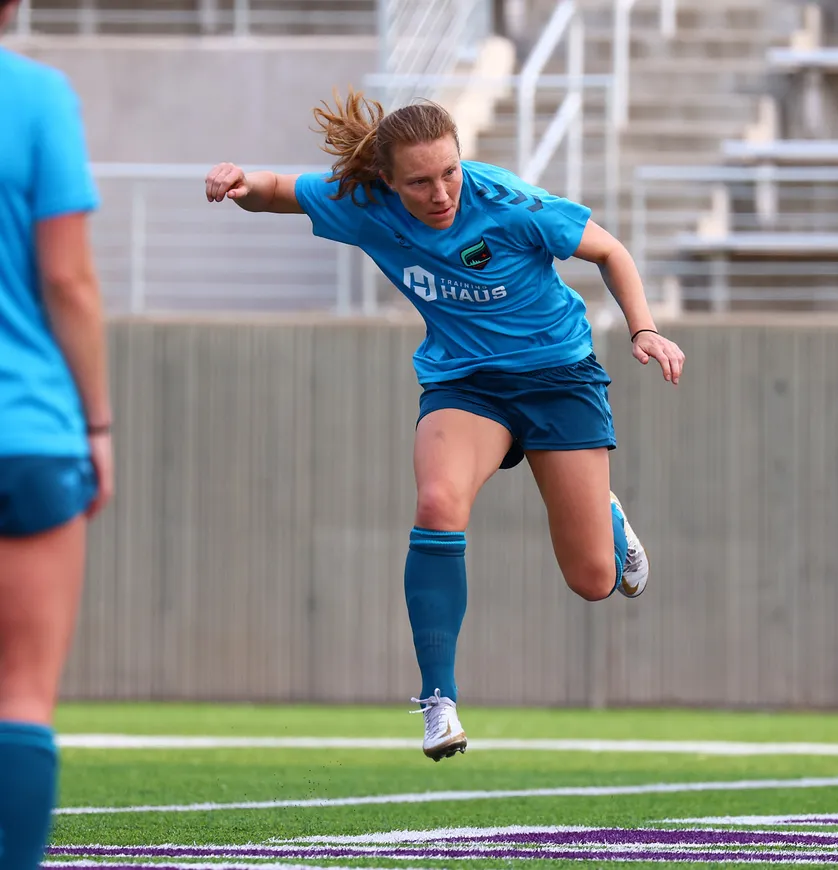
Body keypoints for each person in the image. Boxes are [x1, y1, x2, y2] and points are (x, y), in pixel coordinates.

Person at [204, 88, 684, 762]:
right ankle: (439, 701)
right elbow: (278, 191)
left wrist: (644, 330)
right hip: (465, 384)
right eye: (420, 182)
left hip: (558, 378)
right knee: (436, 503)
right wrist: (239, 182)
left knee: (592, 580)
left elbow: (610, 252)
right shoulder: (363, 202)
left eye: (450, 173)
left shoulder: (508, 203)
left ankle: (605, 514)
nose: (441, 194)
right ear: (387, 179)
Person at [0, 4, 115, 867]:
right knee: (23, 693)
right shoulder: (36, 97)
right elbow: (68, 279)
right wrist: (97, 423)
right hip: (26, 429)